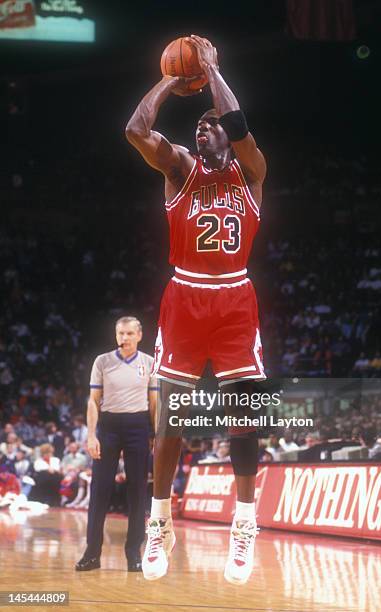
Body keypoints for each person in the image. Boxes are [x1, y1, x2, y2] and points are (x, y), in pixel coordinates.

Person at [126, 35, 266, 584]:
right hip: (184, 296)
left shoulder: (251, 171)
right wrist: (170, 79)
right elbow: (136, 131)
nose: (201, 129)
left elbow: (240, 126)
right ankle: (160, 521)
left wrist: (209, 73)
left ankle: (246, 524)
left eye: (209, 124)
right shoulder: (180, 171)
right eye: (198, 125)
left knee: (244, 420)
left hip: (236, 298)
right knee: (172, 423)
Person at [75, 316, 158, 572]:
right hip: (108, 426)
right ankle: (92, 553)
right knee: (99, 491)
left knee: (137, 493)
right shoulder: (102, 361)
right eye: (120, 333)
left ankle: (134, 553)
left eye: (129, 334)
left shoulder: (150, 363)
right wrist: (91, 435)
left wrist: (155, 432)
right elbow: (93, 400)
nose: (124, 338)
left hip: (138, 426)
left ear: (139, 335)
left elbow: (154, 402)